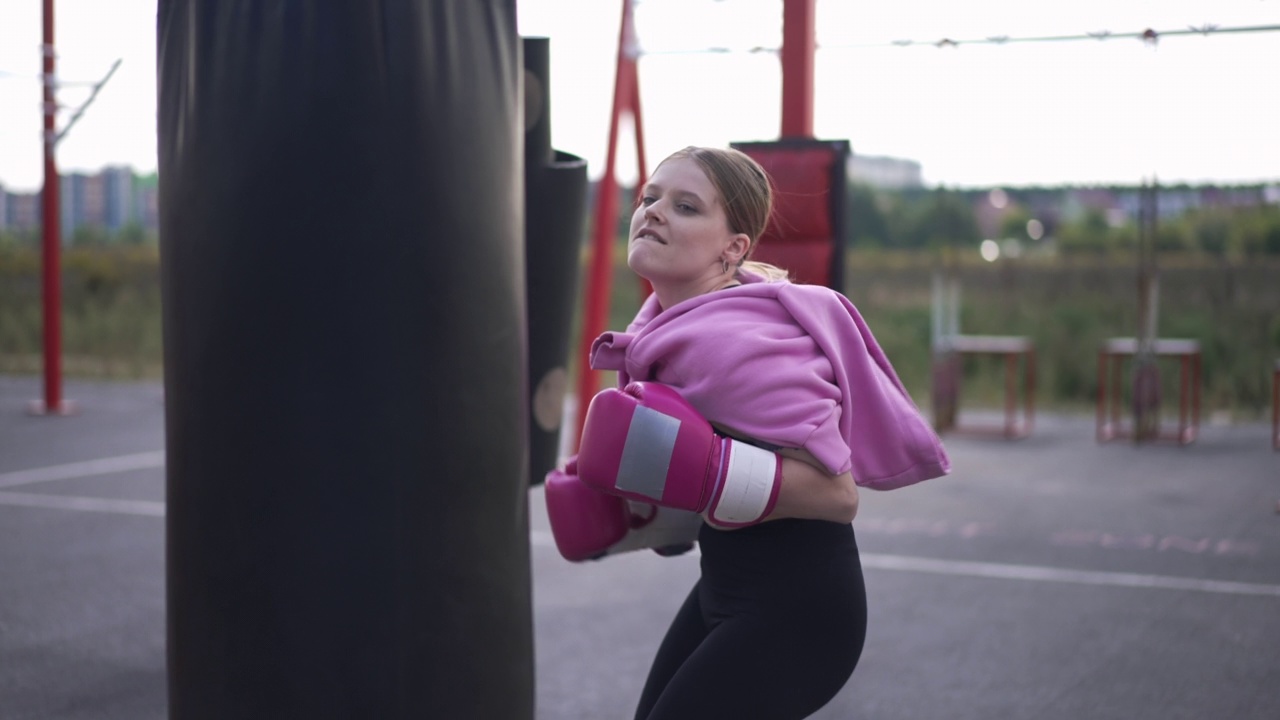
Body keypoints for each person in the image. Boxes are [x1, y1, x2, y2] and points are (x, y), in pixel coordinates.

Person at [561, 146, 950, 719]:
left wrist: (706, 474)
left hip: (798, 615)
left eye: (686, 206)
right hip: (730, 589)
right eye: (649, 198)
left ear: (733, 248)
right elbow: (716, 479)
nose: (655, 211)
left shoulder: (744, 348)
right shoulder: (668, 332)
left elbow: (836, 495)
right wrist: (642, 509)